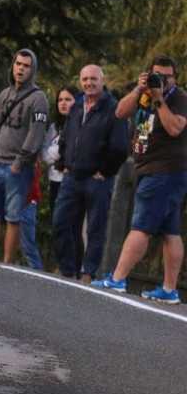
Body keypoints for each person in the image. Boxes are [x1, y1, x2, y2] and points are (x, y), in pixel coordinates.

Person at [93, 57, 186, 304]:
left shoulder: (179, 99)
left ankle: (118, 279)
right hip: (150, 170)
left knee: (141, 227)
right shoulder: (143, 93)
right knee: (170, 231)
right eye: (157, 75)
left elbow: (175, 128)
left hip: (164, 171)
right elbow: (120, 112)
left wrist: (159, 98)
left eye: (167, 77)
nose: (162, 80)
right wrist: (138, 89)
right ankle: (169, 290)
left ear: (175, 78)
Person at [53, 66, 129, 281]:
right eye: (85, 79)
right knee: (60, 223)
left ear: (102, 80)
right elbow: (66, 136)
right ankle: (68, 271)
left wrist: (105, 171)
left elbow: (120, 147)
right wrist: (63, 162)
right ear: (80, 81)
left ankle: (88, 273)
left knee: (95, 228)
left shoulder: (114, 108)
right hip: (72, 177)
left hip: (98, 180)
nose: (89, 83)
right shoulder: (76, 105)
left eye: (93, 79)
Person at [0, 49, 49, 264]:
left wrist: (19, 163)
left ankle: (7, 263)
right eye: (18, 64)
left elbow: (36, 133)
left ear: (33, 70)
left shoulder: (39, 99)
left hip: (18, 168)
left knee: (13, 217)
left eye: (26, 66)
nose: (21, 69)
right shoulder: (4, 95)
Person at [46, 86, 77, 206]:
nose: (63, 103)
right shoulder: (54, 127)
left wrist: (56, 152)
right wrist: (59, 152)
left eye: (68, 99)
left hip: (72, 181)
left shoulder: (81, 125)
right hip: (54, 179)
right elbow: (45, 154)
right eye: (60, 100)